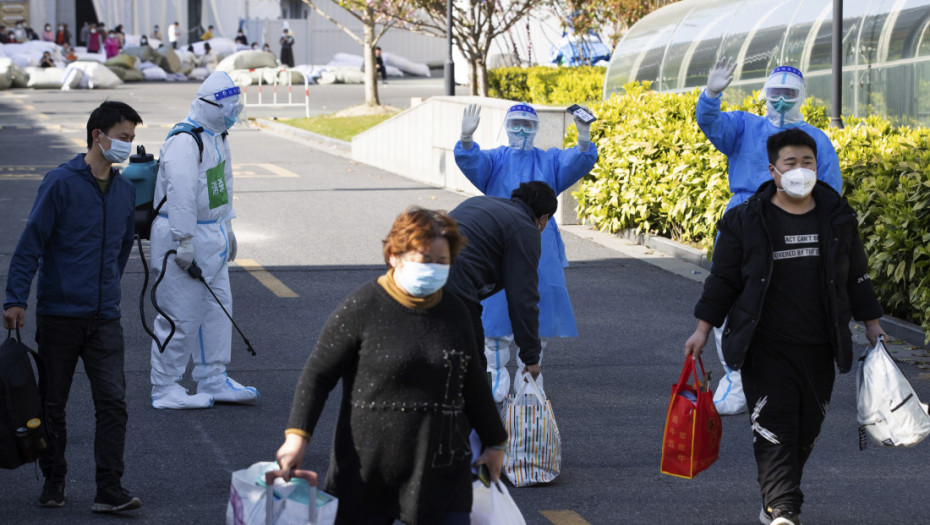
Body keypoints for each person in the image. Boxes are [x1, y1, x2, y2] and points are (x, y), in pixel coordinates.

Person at [683, 128, 885, 525]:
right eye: (790, 163)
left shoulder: (838, 218)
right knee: (774, 430)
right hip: (765, 346)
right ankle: (783, 509)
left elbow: (856, 276)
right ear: (773, 170)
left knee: (806, 430)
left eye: (807, 162)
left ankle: (778, 497)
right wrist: (702, 330)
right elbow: (723, 280)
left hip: (819, 345)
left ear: (817, 166)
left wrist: (873, 326)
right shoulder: (745, 220)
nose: (800, 170)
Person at [276, 208, 507, 525]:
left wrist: (495, 442)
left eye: (442, 261)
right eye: (425, 259)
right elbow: (318, 375)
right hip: (369, 473)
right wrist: (297, 438)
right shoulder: (362, 306)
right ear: (395, 256)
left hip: (442, 470)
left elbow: (474, 384)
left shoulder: (456, 312)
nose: (434, 268)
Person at [3, 101, 144, 513]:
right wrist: (16, 299)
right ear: (98, 136)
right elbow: (31, 244)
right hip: (60, 315)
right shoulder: (60, 183)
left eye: (133, 140)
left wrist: (105, 291)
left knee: (113, 404)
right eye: (123, 138)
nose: (128, 147)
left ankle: (109, 488)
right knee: (52, 405)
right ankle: (54, 480)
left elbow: (121, 251)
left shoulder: (125, 190)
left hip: (104, 318)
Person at [696, 59, 844, 415]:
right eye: (775, 93)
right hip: (743, 224)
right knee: (731, 297)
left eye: (789, 94)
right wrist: (711, 94)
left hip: (794, 224)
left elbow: (831, 192)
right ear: (764, 93)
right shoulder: (744, 127)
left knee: (788, 300)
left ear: (801, 97)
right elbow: (711, 123)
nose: (780, 101)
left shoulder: (816, 140)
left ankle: (779, 377)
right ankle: (736, 374)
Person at [453, 102, 597, 402]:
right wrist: (466, 142)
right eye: (515, 123)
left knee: (538, 307)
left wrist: (583, 141)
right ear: (505, 126)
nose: (521, 130)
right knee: (493, 311)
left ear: (537, 129)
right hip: (497, 245)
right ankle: (494, 372)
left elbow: (576, 163)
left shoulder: (549, 161)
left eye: (528, 125)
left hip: (540, 247)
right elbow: (473, 163)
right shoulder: (495, 159)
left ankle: (528, 373)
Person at [148, 71, 257, 410]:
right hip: (184, 236)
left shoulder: (216, 136)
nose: (232, 114)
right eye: (228, 108)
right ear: (208, 105)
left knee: (216, 311)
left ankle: (213, 377)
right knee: (179, 315)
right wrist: (184, 241)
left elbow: (218, 186)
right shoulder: (186, 140)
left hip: (211, 235)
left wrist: (227, 227)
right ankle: (165, 387)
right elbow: (180, 194)